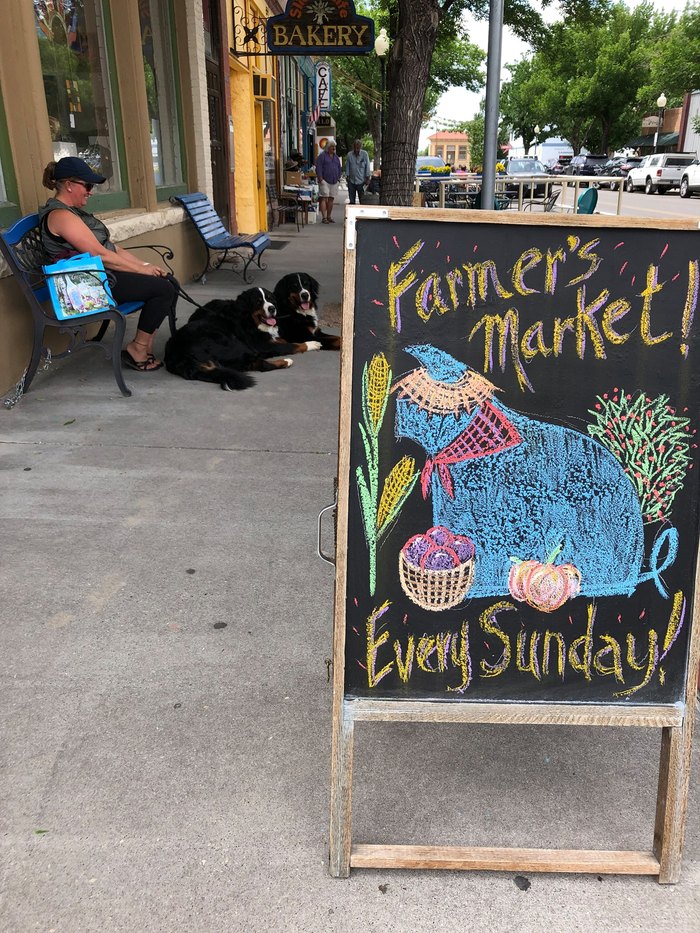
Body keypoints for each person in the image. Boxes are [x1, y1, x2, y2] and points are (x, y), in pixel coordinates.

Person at [39, 157, 178, 372]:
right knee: (163, 289)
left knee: (167, 281)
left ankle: (144, 344)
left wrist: (145, 264)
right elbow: (98, 254)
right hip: (83, 289)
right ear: (68, 184)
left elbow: (110, 248)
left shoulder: (73, 213)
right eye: (87, 185)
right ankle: (138, 349)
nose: (90, 191)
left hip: (98, 278)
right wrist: (142, 270)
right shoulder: (60, 216)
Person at [314, 139, 342, 224]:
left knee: (331, 198)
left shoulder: (336, 157)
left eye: (334, 147)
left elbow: (339, 168)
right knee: (324, 197)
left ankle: (329, 216)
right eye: (332, 147)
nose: (334, 148)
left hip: (334, 181)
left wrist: (338, 178)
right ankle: (324, 217)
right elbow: (318, 167)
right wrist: (320, 178)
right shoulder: (322, 156)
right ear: (328, 147)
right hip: (324, 180)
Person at [345, 138, 370, 205]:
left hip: (361, 181)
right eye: (355, 148)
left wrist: (367, 177)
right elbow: (347, 166)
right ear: (353, 147)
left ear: (360, 147)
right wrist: (347, 176)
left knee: (362, 200)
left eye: (358, 148)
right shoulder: (349, 155)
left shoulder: (364, 154)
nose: (356, 150)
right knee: (352, 201)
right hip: (352, 180)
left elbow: (367, 166)